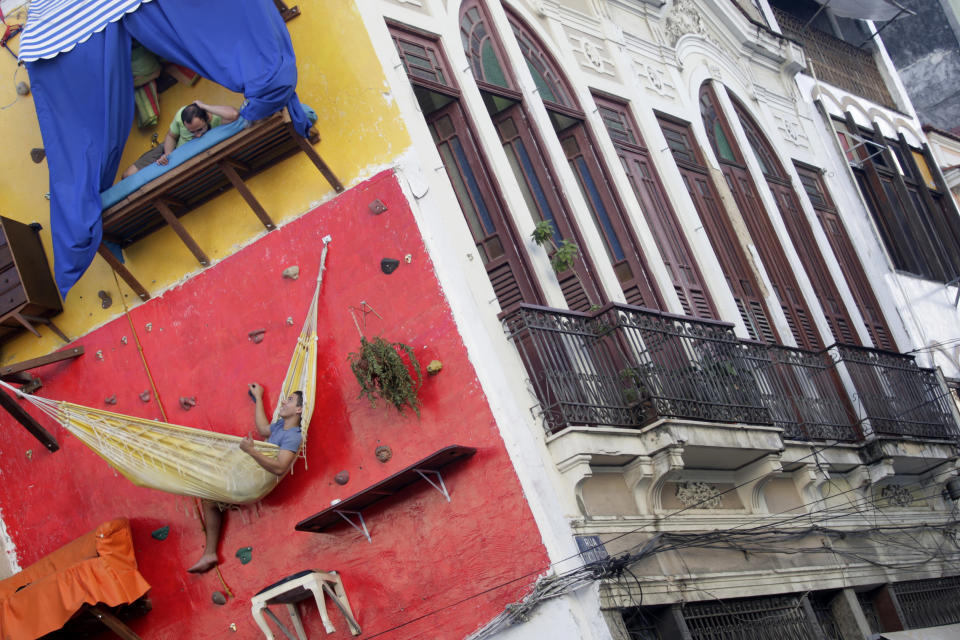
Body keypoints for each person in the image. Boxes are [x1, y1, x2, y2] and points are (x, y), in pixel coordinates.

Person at [186, 382, 303, 574]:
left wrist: (251, 451)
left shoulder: (293, 436)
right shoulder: (282, 426)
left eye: (290, 400)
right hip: (248, 475)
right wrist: (258, 398)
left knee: (207, 494)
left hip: (254, 485)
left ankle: (210, 552)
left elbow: (281, 467)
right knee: (208, 492)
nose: (284, 401)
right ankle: (210, 552)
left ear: (298, 409)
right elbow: (264, 429)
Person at [122, 100, 239, 179]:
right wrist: (168, 155)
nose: (197, 135)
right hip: (169, 149)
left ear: (206, 118)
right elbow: (171, 136)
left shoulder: (214, 118)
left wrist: (204, 106)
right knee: (127, 175)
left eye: (200, 130)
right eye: (192, 132)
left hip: (184, 158)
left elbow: (234, 114)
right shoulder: (180, 115)